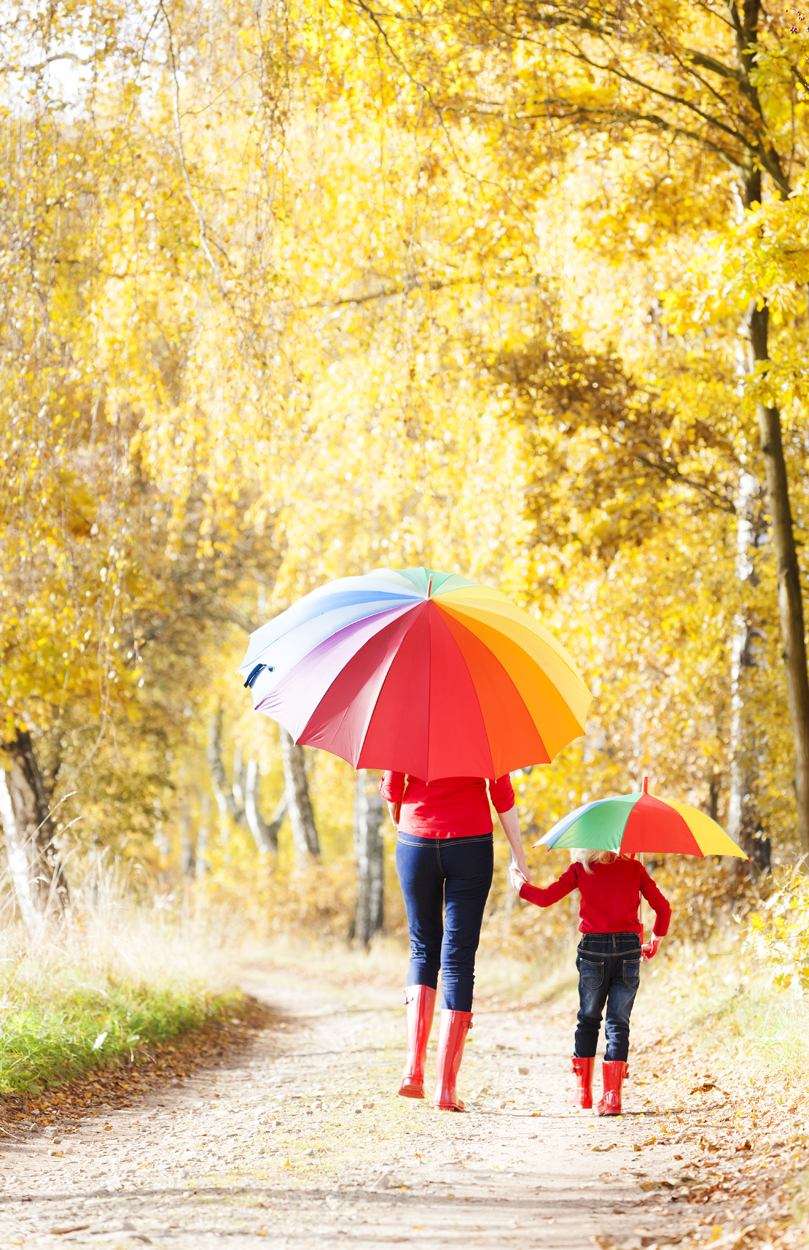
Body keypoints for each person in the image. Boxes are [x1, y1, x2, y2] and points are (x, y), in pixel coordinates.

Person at [381, 771, 528, 1112]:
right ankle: (446, 1089)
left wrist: (407, 828)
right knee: (459, 959)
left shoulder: (404, 720)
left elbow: (392, 790)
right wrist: (518, 854)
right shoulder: (488, 723)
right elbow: (502, 794)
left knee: (422, 949)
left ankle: (412, 1072)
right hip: (471, 843)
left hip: (415, 838)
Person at [510, 849, 671, 1116]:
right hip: (629, 950)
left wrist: (520, 886)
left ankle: (583, 1093)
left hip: (593, 951)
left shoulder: (581, 868)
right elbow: (663, 908)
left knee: (588, 1018)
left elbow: (545, 898)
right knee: (618, 1022)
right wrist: (655, 939)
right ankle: (612, 1098)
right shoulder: (634, 868)